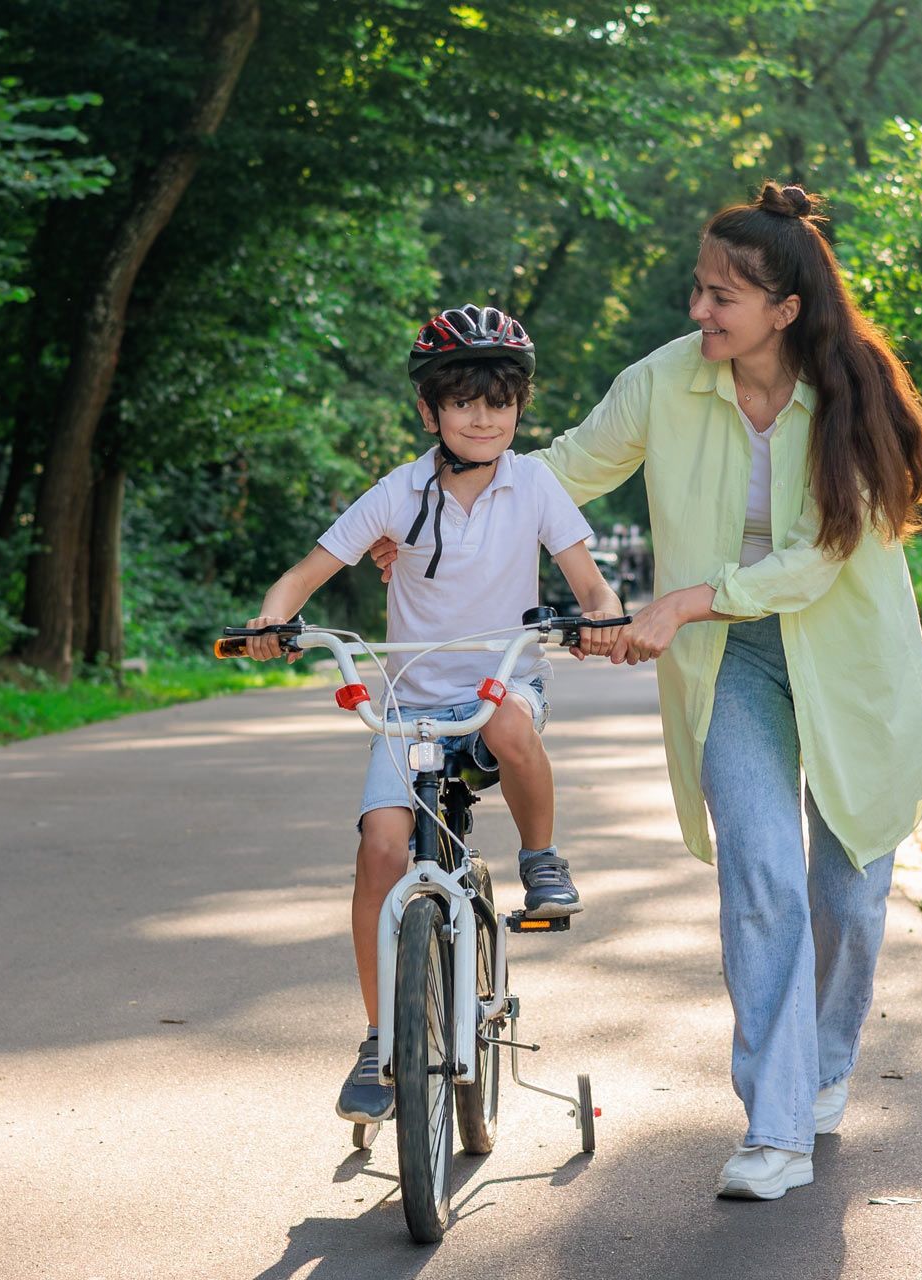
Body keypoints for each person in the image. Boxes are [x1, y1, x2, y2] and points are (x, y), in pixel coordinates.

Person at [373, 181, 922, 1200]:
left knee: (850, 895)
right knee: (763, 876)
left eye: (722, 296)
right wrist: (429, 513)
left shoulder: (851, 388)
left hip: (851, 659)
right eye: (698, 287)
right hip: (734, 666)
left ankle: (821, 1065)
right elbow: (550, 473)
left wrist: (681, 601)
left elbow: (820, 556)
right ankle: (774, 1127)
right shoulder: (665, 383)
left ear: (786, 308)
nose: (698, 310)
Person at [242, 304, 624, 1126]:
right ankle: (379, 1041)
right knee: (379, 850)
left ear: (520, 407)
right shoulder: (396, 494)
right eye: (462, 402)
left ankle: (543, 858)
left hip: (500, 682)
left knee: (506, 727)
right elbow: (302, 576)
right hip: (411, 701)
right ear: (430, 412)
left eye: (500, 401)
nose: (483, 417)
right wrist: (275, 622)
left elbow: (590, 585)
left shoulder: (536, 487)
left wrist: (599, 617)